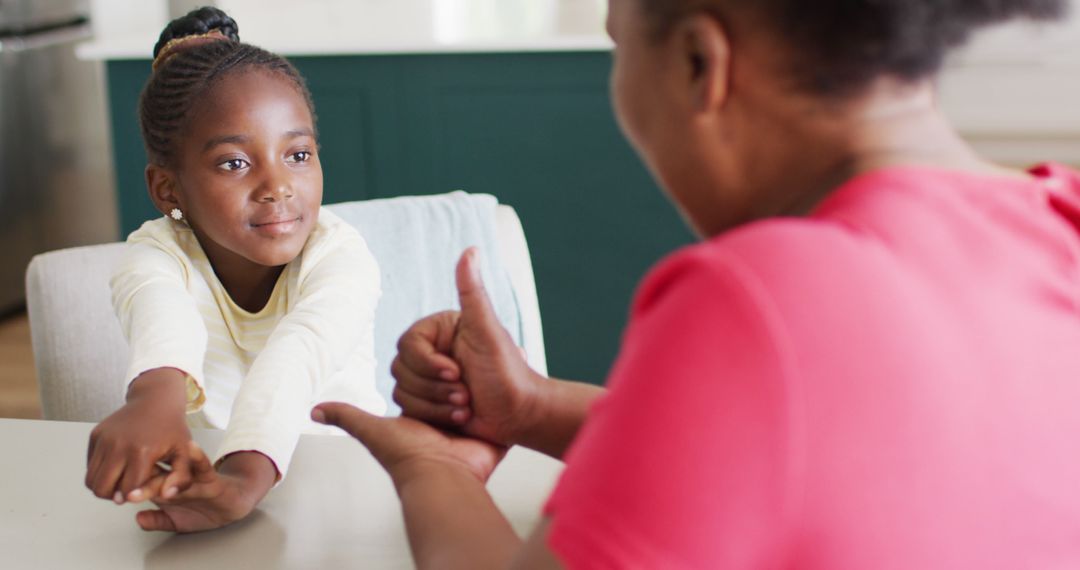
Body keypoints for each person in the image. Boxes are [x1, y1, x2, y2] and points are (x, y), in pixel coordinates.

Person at [314, 0, 1080, 567]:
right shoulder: (1061, 218)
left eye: (619, 48)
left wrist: (432, 469)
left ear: (697, 64)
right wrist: (532, 409)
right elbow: (822, 457)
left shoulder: (761, 295)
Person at [84, 7, 385, 533]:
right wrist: (154, 400)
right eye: (234, 163)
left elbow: (298, 353)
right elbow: (161, 321)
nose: (278, 185)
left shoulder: (341, 256)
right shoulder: (154, 255)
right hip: (215, 489)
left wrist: (244, 478)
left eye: (298, 154)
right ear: (168, 190)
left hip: (353, 496)